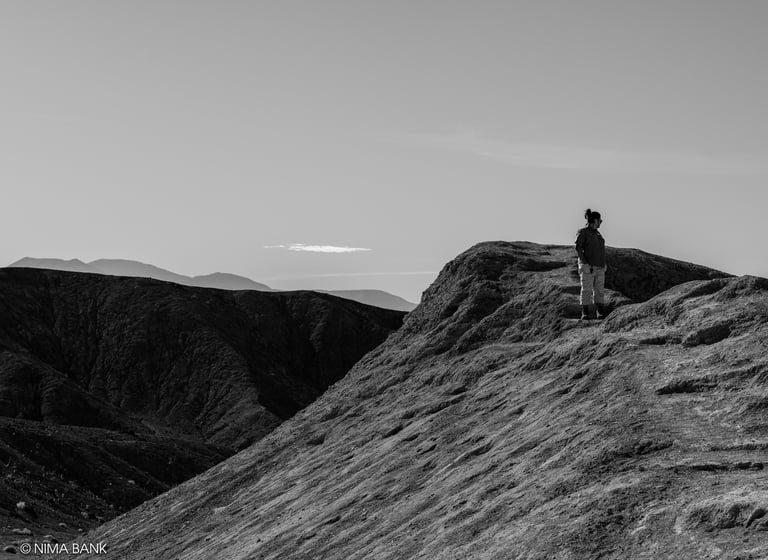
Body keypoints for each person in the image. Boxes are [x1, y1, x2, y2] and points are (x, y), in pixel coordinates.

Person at [575, 208, 607, 320]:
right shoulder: (583, 232)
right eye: (600, 220)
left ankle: (600, 312)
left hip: (599, 267)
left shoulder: (597, 234)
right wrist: (585, 263)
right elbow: (578, 248)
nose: (601, 222)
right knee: (586, 290)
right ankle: (585, 312)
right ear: (595, 220)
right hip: (588, 266)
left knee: (599, 290)